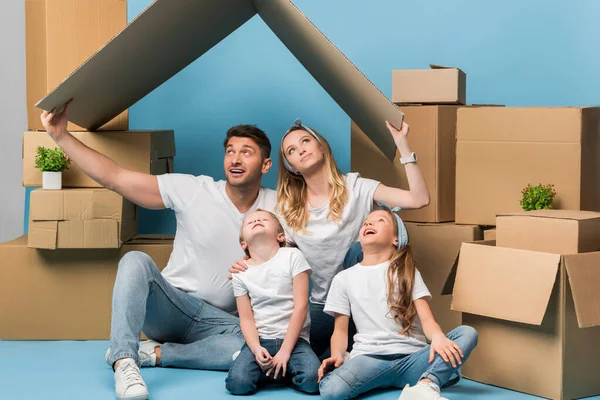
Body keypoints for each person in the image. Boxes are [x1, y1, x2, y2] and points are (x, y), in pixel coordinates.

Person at [40, 101, 277, 400]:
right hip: (171, 308)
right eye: (230, 150)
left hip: (223, 324)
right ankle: (124, 360)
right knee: (135, 261)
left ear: (266, 165)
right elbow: (115, 177)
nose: (235, 158)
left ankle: (154, 354)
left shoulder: (280, 205)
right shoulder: (193, 190)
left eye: (246, 152)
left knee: (257, 346)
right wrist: (61, 135)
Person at [273, 118, 430, 358]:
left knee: (358, 250)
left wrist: (403, 144)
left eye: (305, 141)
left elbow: (418, 199)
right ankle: (341, 352)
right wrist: (246, 262)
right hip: (322, 307)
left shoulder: (358, 188)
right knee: (302, 365)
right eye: (291, 150)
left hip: (364, 306)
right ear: (292, 166)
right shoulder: (287, 209)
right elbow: (282, 261)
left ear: (322, 147)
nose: (301, 149)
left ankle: (355, 351)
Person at [317, 207, 479, 400]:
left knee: (467, 333)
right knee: (330, 391)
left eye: (380, 220)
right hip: (369, 359)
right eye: (366, 222)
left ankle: (426, 385)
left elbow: (427, 320)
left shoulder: (407, 272)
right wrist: (338, 355)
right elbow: (340, 331)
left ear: (396, 239)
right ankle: (431, 377)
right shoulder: (343, 279)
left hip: (412, 358)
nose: (369, 223)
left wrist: (437, 337)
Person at [225, 210, 320, 395]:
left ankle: (277, 370)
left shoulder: (292, 256)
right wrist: (255, 348)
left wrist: (285, 351)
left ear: (280, 236)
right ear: (243, 243)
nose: (257, 220)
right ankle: (270, 368)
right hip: (261, 340)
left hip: (294, 341)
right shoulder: (240, 274)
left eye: (264, 219)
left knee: (312, 381)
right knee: (238, 384)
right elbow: (246, 319)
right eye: (250, 221)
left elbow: (300, 307)